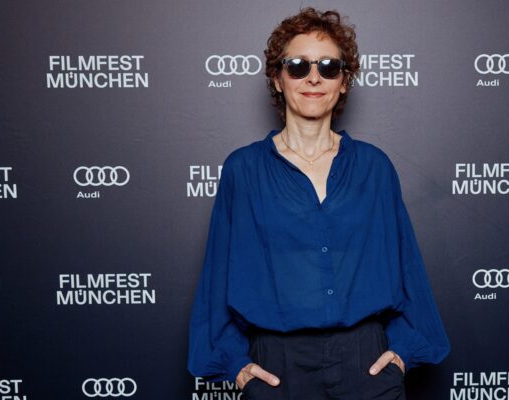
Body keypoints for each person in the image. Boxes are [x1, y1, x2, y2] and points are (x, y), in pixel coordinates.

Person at [187, 7, 450, 400]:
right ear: (277, 79)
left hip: (366, 365)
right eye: (297, 66)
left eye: (329, 67)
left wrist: (402, 353)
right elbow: (218, 276)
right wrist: (236, 366)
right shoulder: (243, 169)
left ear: (343, 82)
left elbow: (406, 267)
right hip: (277, 369)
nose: (314, 78)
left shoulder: (374, 167)